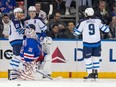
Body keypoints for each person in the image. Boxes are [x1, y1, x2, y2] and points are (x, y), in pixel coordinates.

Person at [73, 8, 110, 79]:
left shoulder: (82, 21)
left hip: (87, 44)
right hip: (97, 43)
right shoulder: (98, 20)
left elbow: (76, 33)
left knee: (87, 59)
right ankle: (96, 73)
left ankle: (90, 73)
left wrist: (75, 28)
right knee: (96, 58)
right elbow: (106, 30)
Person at [8, 8, 24, 80]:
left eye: (21, 12)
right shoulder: (16, 20)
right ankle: (14, 73)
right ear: (15, 13)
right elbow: (19, 30)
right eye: (19, 12)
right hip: (17, 40)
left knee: (14, 57)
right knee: (18, 57)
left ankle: (11, 71)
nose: (21, 14)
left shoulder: (16, 20)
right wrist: (28, 32)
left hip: (14, 40)